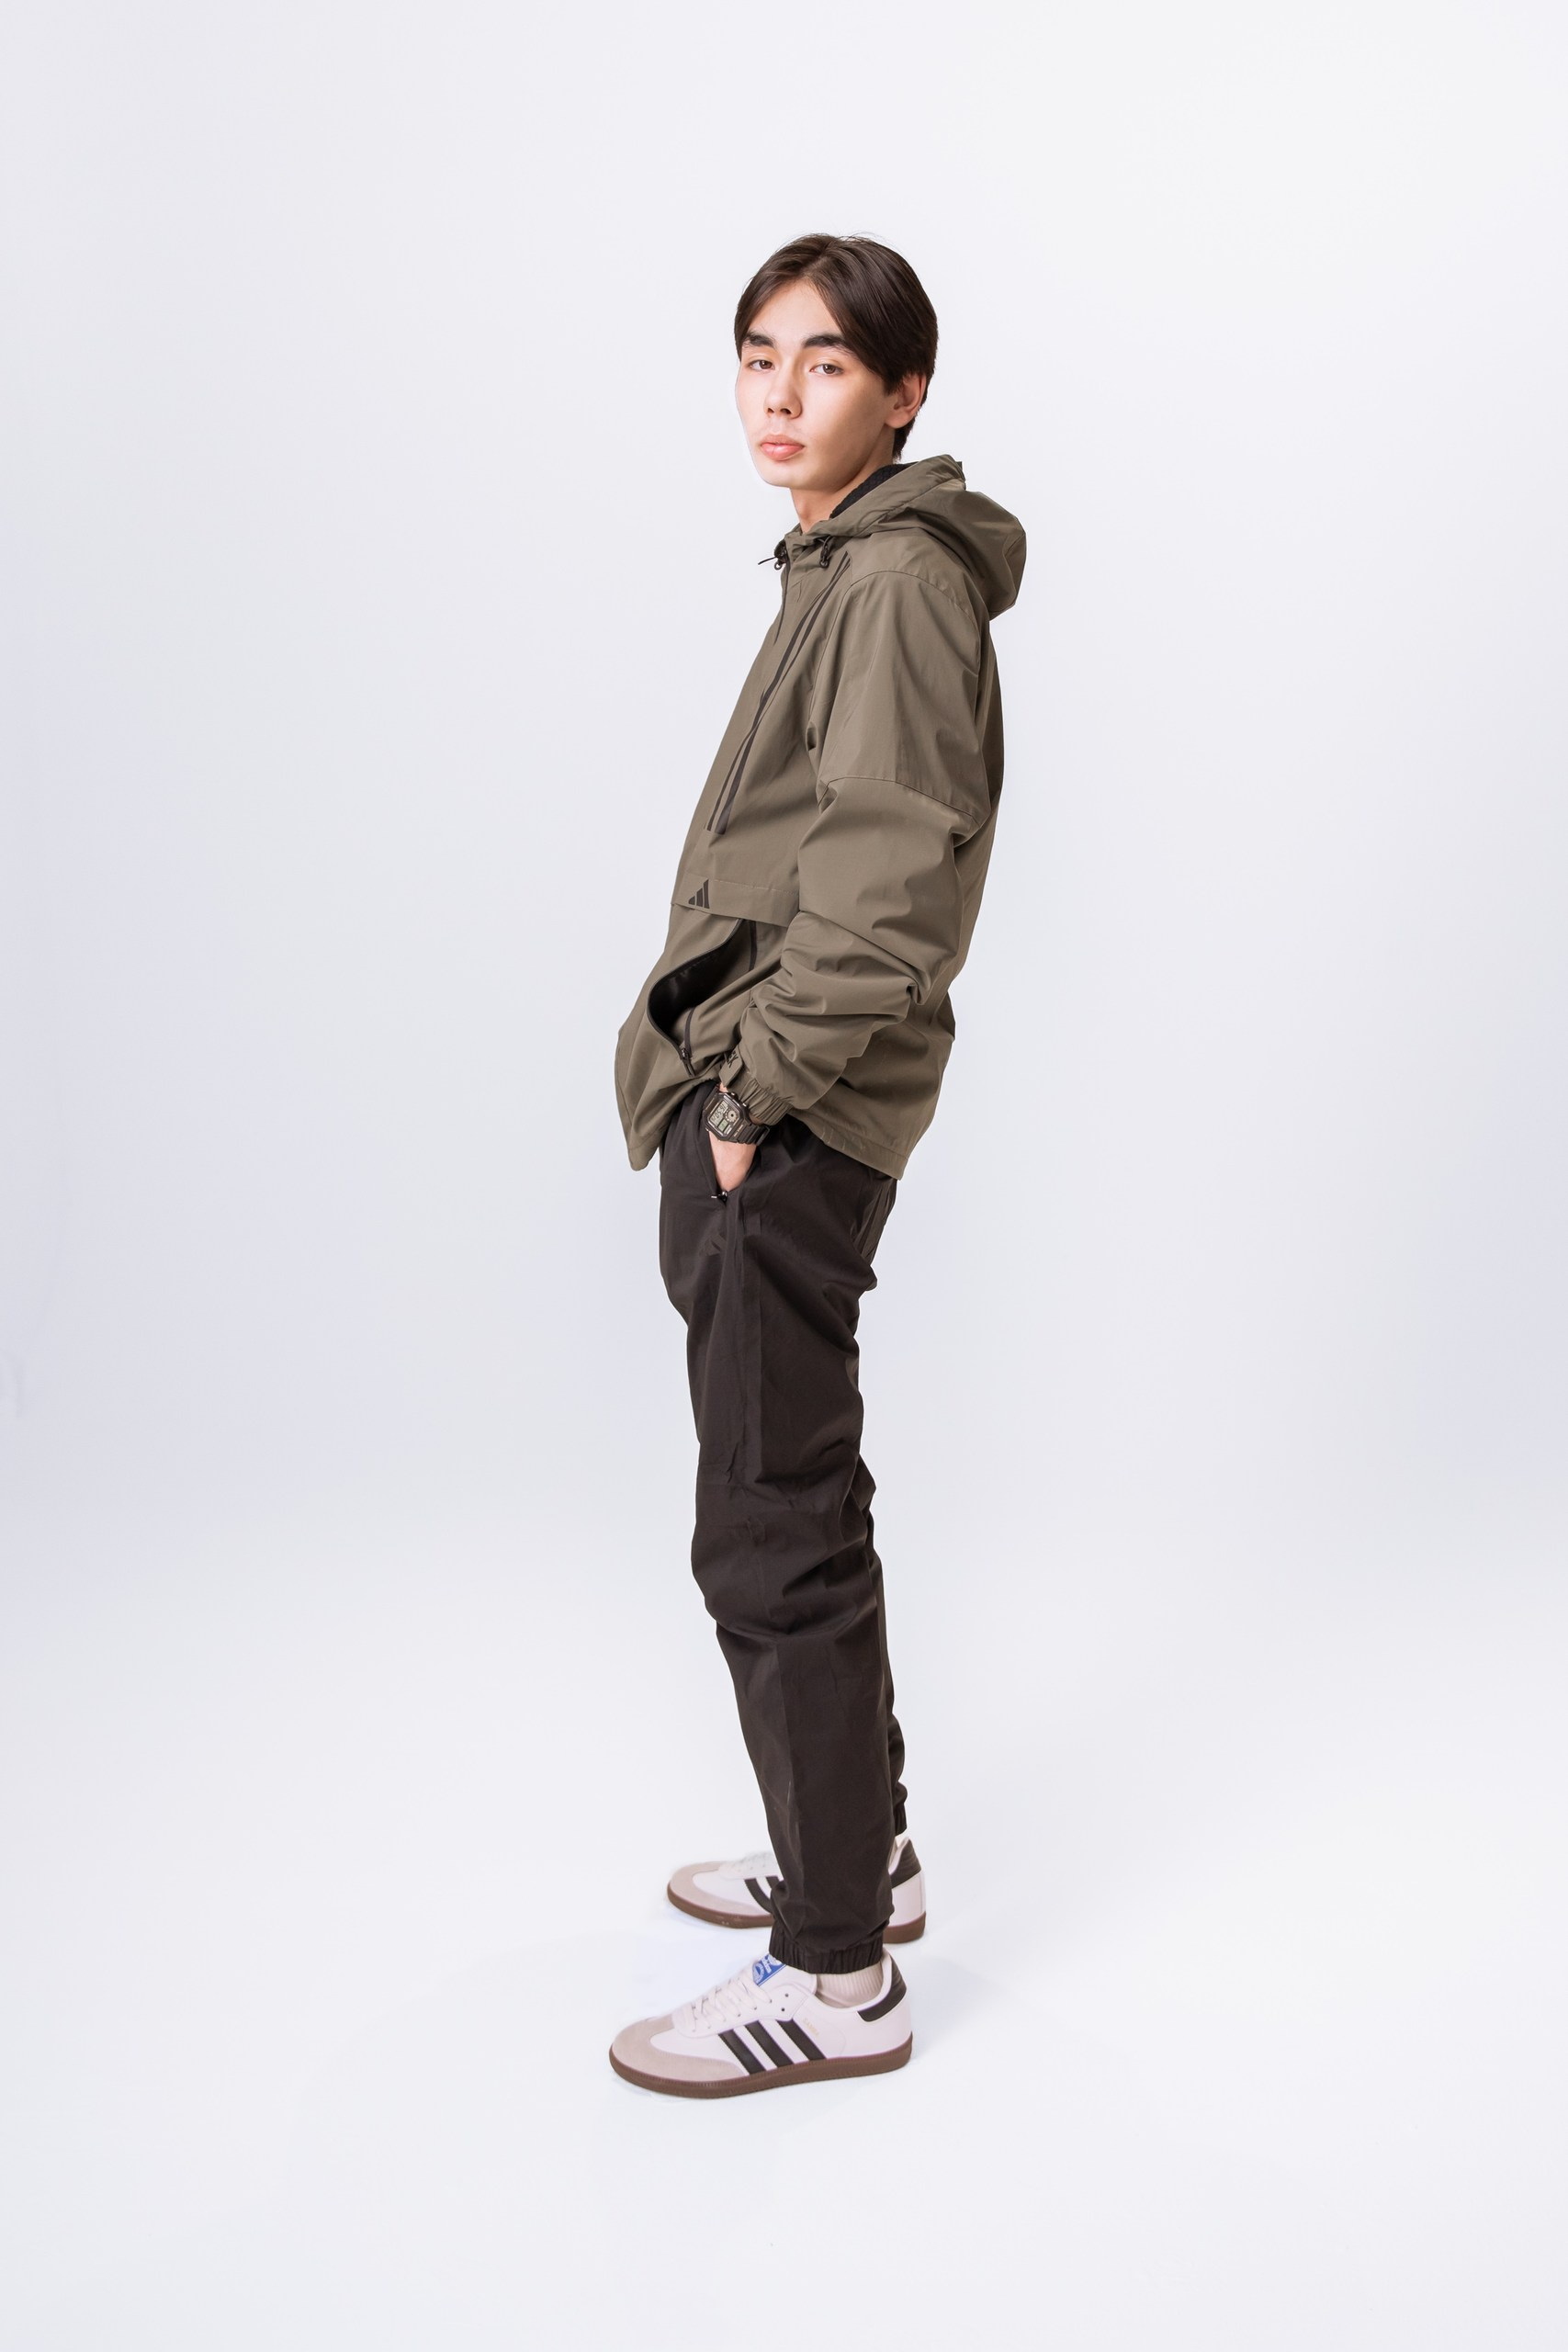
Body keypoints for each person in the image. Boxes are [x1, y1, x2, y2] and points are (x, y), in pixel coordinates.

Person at [609, 232, 1026, 2097]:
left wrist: (746, 1096)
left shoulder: (899, 581)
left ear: (904, 392)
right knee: (796, 1492)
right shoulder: (840, 562)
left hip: (789, 1116)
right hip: (765, 1103)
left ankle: (838, 1970)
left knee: (767, 1519)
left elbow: (887, 881)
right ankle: (866, 1859)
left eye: (828, 362)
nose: (780, 394)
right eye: (757, 355)